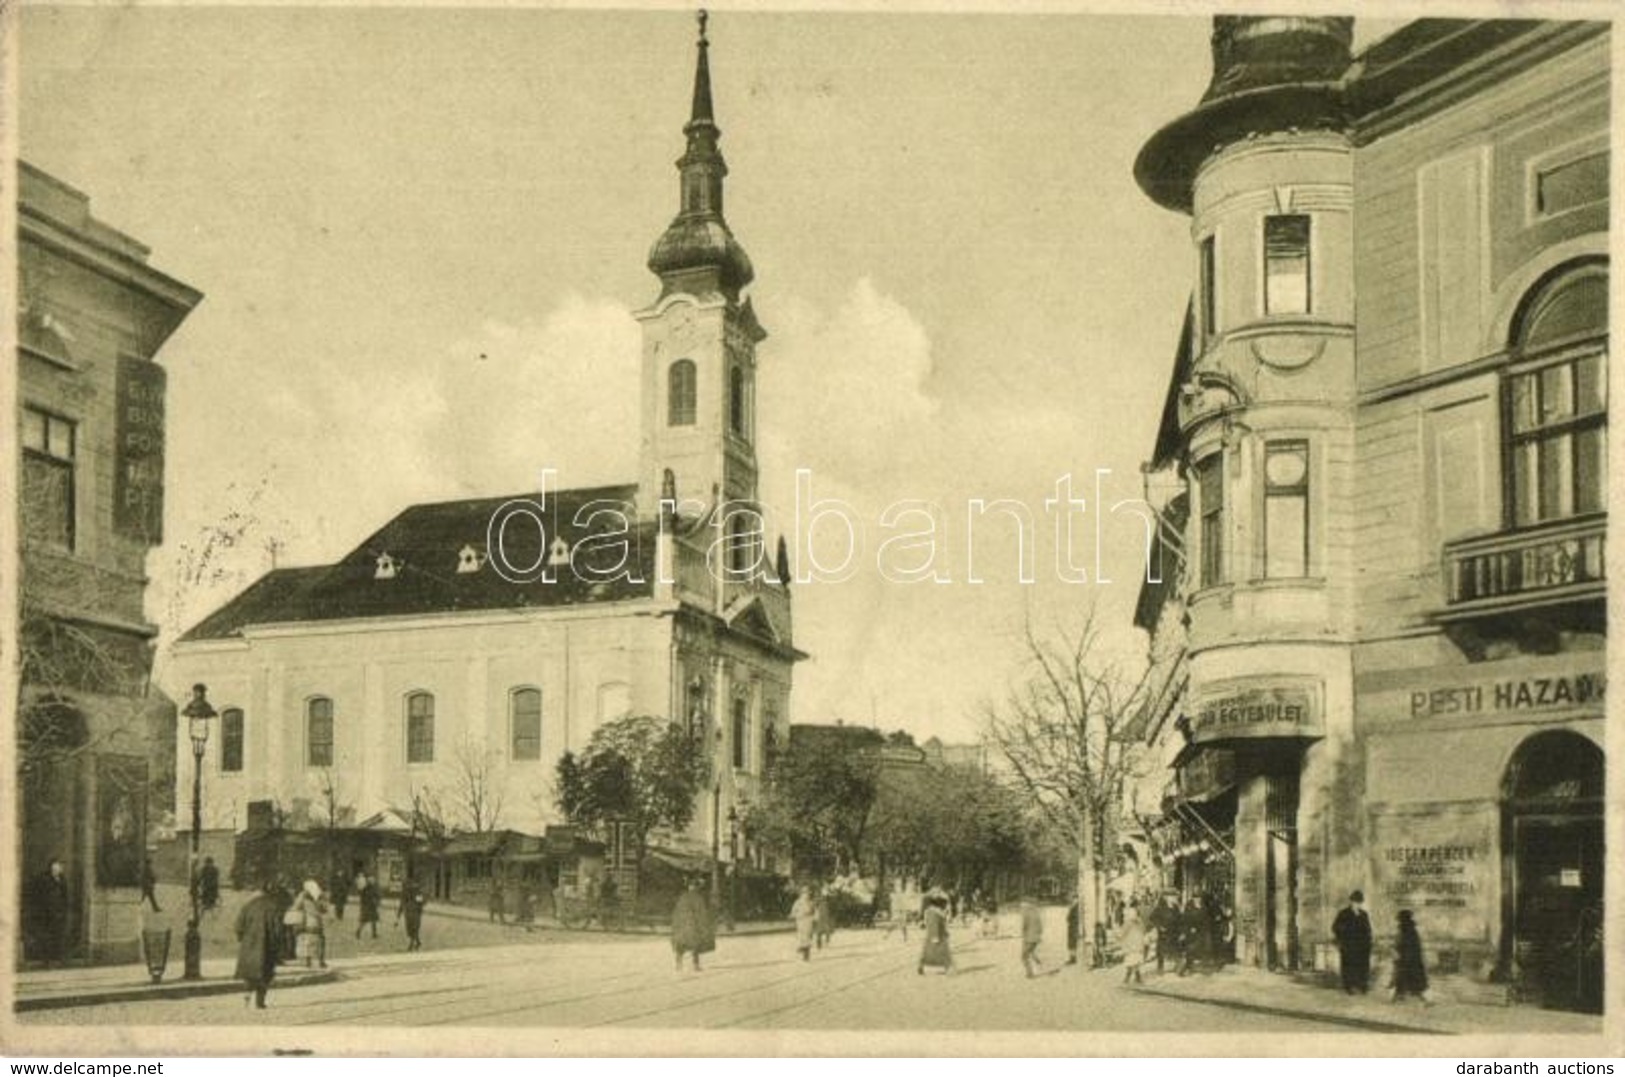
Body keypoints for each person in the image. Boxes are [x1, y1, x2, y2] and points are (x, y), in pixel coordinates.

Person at [235, 879, 282, 1010]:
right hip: (266, 945)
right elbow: (277, 929)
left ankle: (246, 997)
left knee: (249, 974)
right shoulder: (273, 906)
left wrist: (242, 939)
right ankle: (259, 1002)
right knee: (265, 973)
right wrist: (277, 945)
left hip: (248, 945)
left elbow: (238, 926)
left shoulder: (247, 906)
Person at [29, 859, 72, 966]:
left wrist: (64, 909)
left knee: (60, 936)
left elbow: (65, 896)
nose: (59, 868)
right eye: (57, 866)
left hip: (59, 913)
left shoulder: (62, 879)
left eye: (60, 867)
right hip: (46, 913)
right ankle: (46, 960)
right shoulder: (44, 879)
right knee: (46, 937)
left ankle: (60, 960)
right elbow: (39, 895)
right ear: (52, 867)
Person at [670, 876, 715, 972]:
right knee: (694, 945)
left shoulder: (684, 897)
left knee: (682, 945)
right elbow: (702, 912)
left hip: (684, 925)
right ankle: (693, 965)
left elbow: (677, 912)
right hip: (692, 925)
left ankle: (681, 964)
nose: (692, 887)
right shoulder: (697, 898)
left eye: (693, 886)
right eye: (692, 886)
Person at [1332, 889, 1373, 994]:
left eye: (1359, 902)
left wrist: (1368, 942)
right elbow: (1335, 927)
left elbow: (1368, 930)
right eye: (1355, 902)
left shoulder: (1364, 914)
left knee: (1362, 966)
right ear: (1351, 902)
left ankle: (1362, 986)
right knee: (1348, 966)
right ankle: (1349, 987)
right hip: (1348, 945)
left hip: (1362, 946)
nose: (1357, 904)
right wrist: (1343, 937)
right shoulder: (1343, 913)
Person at [1391, 910, 1429, 1003]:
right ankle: (1411, 995)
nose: (1399, 921)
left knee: (1403, 976)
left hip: (1406, 959)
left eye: (1400, 920)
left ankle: (1400, 995)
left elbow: (1399, 943)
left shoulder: (1404, 930)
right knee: (1413, 977)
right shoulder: (1412, 930)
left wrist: (1396, 952)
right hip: (1412, 959)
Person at [293, 879, 328, 969]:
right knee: (318, 941)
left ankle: (308, 961)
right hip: (314, 922)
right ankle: (319, 961)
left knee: (308, 941)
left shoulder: (303, 897)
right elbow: (323, 909)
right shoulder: (317, 897)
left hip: (307, 922)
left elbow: (296, 907)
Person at [918, 892, 954, 975]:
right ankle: (945, 968)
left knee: (929, 953)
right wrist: (935, 936)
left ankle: (923, 966)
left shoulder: (932, 912)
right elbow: (934, 924)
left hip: (935, 935)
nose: (944, 906)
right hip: (937, 936)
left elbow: (940, 924)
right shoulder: (934, 914)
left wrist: (945, 932)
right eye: (943, 905)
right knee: (940, 953)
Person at [1178, 895, 1210, 976]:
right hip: (1190, 932)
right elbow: (1185, 919)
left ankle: (1194, 967)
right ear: (1193, 899)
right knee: (1190, 949)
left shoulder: (1204, 907)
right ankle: (1186, 968)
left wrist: (1202, 928)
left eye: (1199, 898)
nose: (1197, 900)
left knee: (1200, 948)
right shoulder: (1189, 907)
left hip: (1201, 932)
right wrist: (1190, 928)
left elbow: (1206, 920)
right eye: (1196, 898)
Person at [1119, 899, 1147, 985]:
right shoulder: (1139, 922)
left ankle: (1128, 978)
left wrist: (1119, 936)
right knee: (1136, 961)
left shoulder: (1127, 923)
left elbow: (1122, 933)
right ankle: (1137, 977)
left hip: (1130, 945)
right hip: (1138, 944)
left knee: (1131, 961)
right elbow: (1144, 930)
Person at [1150, 893, 1179, 974]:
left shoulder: (1175, 907)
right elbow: (1152, 917)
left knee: (1175, 949)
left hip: (1174, 932)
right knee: (1161, 951)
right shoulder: (1160, 908)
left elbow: (1179, 919)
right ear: (1167, 898)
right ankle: (1160, 968)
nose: (1175, 898)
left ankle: (1177, 968)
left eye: (1175, 896)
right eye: (1173, 896)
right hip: (1164, 933)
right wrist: (1159, 926)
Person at [397, 876, 426, 952]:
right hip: (409, 913)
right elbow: (401, 904)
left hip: (414, 913)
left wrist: (419, 909)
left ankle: (411, 945)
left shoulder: (417, 891)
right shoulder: (404, 893)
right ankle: (418, 942)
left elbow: (421, 902)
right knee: (410, 929)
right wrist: (398, 916)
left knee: (414, 928)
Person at [1019, 896, 1044, 978]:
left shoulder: (1026, 913)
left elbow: (1024, 925)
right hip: (1036, 938)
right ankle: (1039, 963)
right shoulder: (1036, 913)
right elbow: (1041, 927)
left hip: (1028, 938)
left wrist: (1023, 934)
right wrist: (1038, 935)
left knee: (1024, 956)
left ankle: (1030, 973)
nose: (1021, 907)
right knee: (1031, 952)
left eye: (1022, 905)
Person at [791, 886, 817, 961]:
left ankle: (806, 955)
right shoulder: (798, 902)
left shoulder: (811, 902)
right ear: (801, 894)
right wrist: (796, 915)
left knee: (808, 937)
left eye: (808, 893)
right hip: (800, 920)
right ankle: (802, 948)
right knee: (802, 937)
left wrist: (815, 917)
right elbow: (793, 911)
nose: (807, 895)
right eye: (805, 893)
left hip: (809, 920)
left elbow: (815, 911)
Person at [355, 872, 381, 940]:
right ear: (368, 881)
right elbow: (363, 898)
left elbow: (378, 895)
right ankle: (358, 932)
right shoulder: (366, 888)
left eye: (373, 879)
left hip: (373, 906)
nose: (372, 881)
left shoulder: (374, 887)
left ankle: (374, 934)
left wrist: (377, 902)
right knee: (364, 921)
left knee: (374, 921)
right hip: (367, 907)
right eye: (370, 880)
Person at [1065, 899, 1080, 966]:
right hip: (1074, 926)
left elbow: (1068, 918)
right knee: (1073, 942)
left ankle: (1073, 958)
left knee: (1072, 942)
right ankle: (1073, 957)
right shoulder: (1077, 907)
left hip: (1073, 926)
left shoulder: (1074, 907)